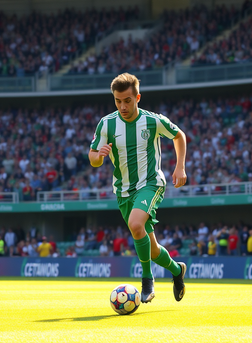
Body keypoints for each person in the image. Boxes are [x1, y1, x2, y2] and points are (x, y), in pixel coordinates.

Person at [88, 73, 186, 303]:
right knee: (150, 247)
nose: (122, 106)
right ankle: (176, 271)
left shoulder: (152, 121)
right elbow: (92, 156)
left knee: (135, 224)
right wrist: (98, 157)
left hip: (151, 183)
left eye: (127, 100)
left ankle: (147, 280)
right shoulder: (107, 123)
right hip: (123, 191)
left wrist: (180, 167)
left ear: (137, 97)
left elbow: (179, 135)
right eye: (118, 101)